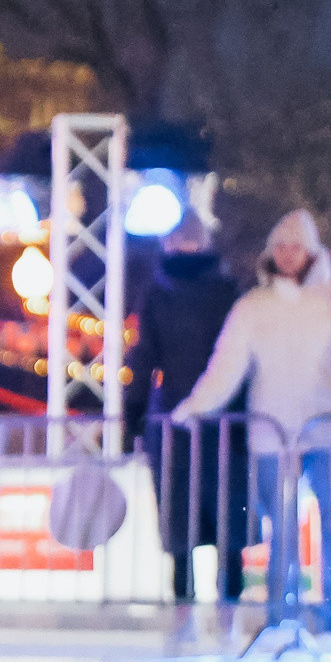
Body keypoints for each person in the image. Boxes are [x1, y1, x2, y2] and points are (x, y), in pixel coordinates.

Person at [172, 210, 331, 632]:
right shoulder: (253, 307)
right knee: (280, 531)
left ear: (312, 251)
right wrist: (196, 406)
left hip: (330, 432)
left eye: (296, 247)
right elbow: (227, 366)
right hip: (273, 434)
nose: (288, 256)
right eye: (281, 247)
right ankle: (281, 613)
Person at [129, 208, 247, 609]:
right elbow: (145, 356)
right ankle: (217, 601)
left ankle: (190, 602)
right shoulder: (226, 290)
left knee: (190, 516)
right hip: (217, 420)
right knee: (216, 516)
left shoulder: (162, 294)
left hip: (188, 418)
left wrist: (136, 413)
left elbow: (144, 357)